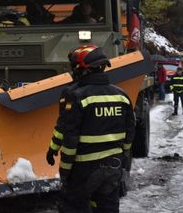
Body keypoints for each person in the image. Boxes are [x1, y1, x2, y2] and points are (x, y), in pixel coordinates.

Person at [46, 45, 135, 213]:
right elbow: (130, 134)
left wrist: (64, 172)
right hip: (112, 168)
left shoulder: (75, 96)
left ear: (83, 69)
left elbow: (69, 137)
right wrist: (122, 157)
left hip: (83, 170)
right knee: (107, 208)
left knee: (73, 207)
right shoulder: (122, 96)